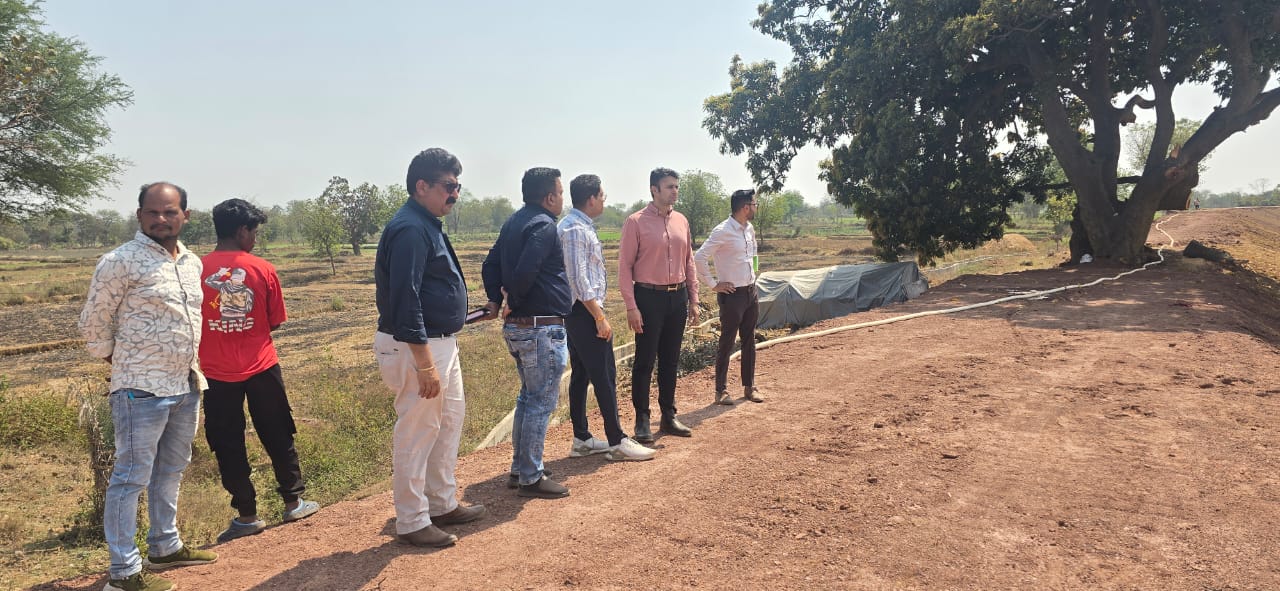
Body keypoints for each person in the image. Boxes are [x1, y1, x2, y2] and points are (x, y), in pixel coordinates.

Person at [78, 182, 218, 591]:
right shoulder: (119, 261)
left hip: (185, 382)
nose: (161, 219)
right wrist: (124, 363)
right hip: (139, 390)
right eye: (152, 212)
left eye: (170, 212)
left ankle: (165, 546)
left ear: (185, 216)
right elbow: (93, 322)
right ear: (139, 215)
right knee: (130, 478)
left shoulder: (191, 262)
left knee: (171, 468)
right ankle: (123, 573)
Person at [374, 148, 487, 548]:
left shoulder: (426, 223)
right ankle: (411, 520)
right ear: (421, 186)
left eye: (458, 186)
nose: (454, 194)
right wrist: (424, 364)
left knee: (448, 422)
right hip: (416, 347)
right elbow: (406, 299)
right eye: (448, 186)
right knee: (417, 430)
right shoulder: (410, 228)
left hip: (439, 342)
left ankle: (441, 503)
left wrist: (466, 314)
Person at [199, 198, 320, 544]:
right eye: (254, 232)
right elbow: (274, 321)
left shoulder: (195, 270)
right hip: (261, 366)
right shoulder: (263, 269)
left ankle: (247, 515)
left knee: (227, 441)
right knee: (278, 431)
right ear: (242, 231)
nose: (255, 238)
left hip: (215, 373)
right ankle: (294, 503)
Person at [481, 167, 574, 498]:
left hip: (521, 329)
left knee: (528, 398)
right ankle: (531, 477)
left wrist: (497, 300)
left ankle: (521, 468)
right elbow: (527, 269)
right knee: (541, 402)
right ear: (549, 197)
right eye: (560, 193)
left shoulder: (513, 223)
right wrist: (513, 301)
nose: (562, 199)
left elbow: (490, 264)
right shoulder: (544, 225)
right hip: (540, 328)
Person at [558, 174, 657, 462]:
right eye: (602, 196)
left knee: (582, 373)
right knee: (604, 374)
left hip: (578, 310)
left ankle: (582, 438)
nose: (604, 200)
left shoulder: (575, 225)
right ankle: (617, 441)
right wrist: (599, 316)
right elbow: (578, 278)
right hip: (584, 310)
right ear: (591, 199)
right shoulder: (575, 229)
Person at [618, 167, 699, 443]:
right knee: (645, 360)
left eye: (676, 186)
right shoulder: (635, 222)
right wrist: (631, 306)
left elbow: (689, 261)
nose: (675, 191)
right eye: (669, 187)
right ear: (654, 190)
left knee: (670, 360)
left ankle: (668, 415)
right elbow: (625, 267)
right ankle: (642, 420)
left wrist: (694, 299)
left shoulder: (681, 221)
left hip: (677, 297)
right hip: (648, 298)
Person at [695, 189, 765, 406]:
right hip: (732, 295)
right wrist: (713, 284)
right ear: (745, 207)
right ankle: (721, 390)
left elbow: (753, 253)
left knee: (749, 340)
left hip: (750, 292)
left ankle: (749, 386)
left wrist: (754, 273)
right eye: (754, 204)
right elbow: (699, 257)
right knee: (727, 342)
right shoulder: (722, 231)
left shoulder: (749, 229)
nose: (756, 208)